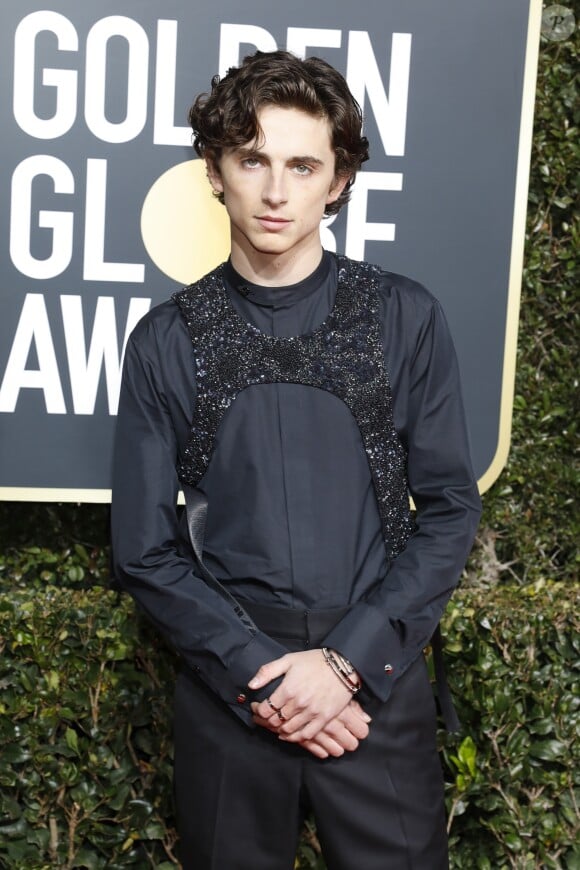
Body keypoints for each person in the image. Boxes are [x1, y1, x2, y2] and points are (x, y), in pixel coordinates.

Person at [111, 49, 481, 870]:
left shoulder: (405, 317)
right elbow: (144, 549)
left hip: (374, 695)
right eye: (253, 160)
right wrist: (265, 678)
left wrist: (348, 663)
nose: (277, 192)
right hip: (229, 696)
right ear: (216, 171)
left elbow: (450, 507)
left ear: (339, 180)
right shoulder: (165, 342)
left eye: (303, 165)